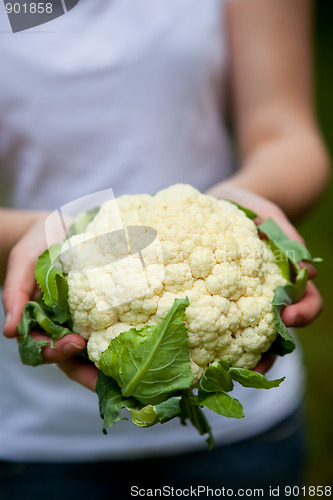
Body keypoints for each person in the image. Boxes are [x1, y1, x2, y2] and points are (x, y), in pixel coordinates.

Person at [0, 0, 329, 498]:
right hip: (32, 434)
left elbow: (287, 134)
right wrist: (50, 238)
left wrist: (234, 207)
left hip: (244, 440)